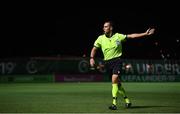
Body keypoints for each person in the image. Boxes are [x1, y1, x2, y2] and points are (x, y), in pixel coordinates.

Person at [89, 20, 155, 110]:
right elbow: (94, 49)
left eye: (106, 26)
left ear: (111, 28)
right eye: (104, 26)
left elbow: (132, 36)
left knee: (114, 79)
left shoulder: (118, 36)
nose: (104, 28)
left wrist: (145, 33)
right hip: (107, 63)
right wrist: (91, 58)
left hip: (117, 61)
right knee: (117, 84)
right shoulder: (100, 38)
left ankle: (114, 104)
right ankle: (127, 100)